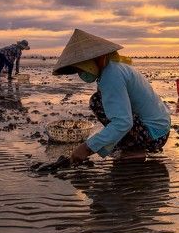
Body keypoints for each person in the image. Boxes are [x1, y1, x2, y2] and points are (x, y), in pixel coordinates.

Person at [52, 29, 171, 163]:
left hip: (153, 135)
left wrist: (87, 148)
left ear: (93, 61)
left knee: (97, 101)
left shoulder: (111, 75)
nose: (81, 73)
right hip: (160, 129)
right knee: (100, 99)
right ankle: (130, 145)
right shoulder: (116, 68)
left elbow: (123, 122)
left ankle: (135, 149)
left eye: (81, 68)